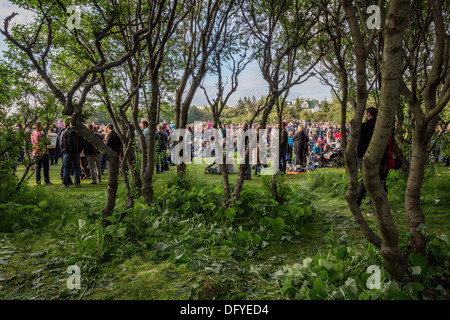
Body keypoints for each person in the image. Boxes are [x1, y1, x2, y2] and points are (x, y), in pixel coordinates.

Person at [60, 119, 84, 188]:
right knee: (77, 168)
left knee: (66, 168)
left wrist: (63, 150)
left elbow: (61, 143)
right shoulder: (78, 133)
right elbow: (82, 143)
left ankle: (65, 183)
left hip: (67, 152)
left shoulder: (64, 132)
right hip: (76, 152)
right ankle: (77, 183)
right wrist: (79, 150)